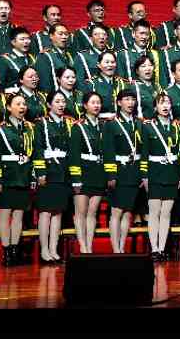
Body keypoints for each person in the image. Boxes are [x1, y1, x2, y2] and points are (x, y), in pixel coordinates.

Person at [0, 94, 35, 266]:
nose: (22, 107)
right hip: (7, 175)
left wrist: (32, 176)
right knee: (4, 214)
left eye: (24, 104)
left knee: (19, 214)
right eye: (18, 104)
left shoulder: (30, 128)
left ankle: (15, 249)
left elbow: (32, 154)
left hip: (23, 175)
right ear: (9, 107)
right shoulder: (0, 129)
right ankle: (6, 250)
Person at [140, 94, 180, 261]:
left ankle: (162, 248)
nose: (165, 106)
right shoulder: (148, 127)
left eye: (168, 103)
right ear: (155, 107)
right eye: (161, 103)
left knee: (166, 213)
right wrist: (144, 175)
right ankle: (154, 248)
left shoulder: (176, 127)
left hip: (171, 173)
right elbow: (144, 153)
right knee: (154, 212)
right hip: (154, 173)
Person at [32, 91, 71, 264]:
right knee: (46, 212)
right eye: (57, 101)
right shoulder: (41, 123)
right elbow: (37, 149)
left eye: (63, 101)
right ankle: (44, 250)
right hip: (48, 171)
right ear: (49, 105)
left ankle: (54, 250)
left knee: (58, 213)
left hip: (63, 171)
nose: (61, 105)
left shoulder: (68, 123)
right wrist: (40, 172)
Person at [103, 90, 142, 254]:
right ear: (119, 103)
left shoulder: (139, 123)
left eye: (133, 99)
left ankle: (122, 247)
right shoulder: (111, 124)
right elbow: (108, 151)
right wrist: (111, 174)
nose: (130, 103)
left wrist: (142, 174)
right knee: (116, 211)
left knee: (127, 212)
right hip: (119, 172)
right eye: (126, 99)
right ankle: (115, 249)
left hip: (134, 172)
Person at [68, 93, 107, 255]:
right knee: (81, 212)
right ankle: (82, 246)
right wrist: (76, 179)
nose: (96, 105)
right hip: (83, 172)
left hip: (98, 172)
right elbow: (74, 155)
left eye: (98, 102)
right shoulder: (78, 126)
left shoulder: (104, 126)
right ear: (85, 105)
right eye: (93, 102)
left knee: (92, 212)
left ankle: (89, 246)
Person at [33, 22, 73, 93]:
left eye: (66, 34)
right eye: (60, 34)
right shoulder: (45, 56)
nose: (64, 37)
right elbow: (44, 84)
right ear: (51, 36)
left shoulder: (70, 54)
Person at [83, 50, 123, 118]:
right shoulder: (92, 84)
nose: (110, 65)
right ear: (99, 65)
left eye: (112, 62)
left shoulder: (121, 83)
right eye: (107, 62)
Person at [0, 26, 34, 91]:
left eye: (28, 39)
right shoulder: (4, 60)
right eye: (22, 39)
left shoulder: (32, 58)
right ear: (13, 42)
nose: (26, 41)